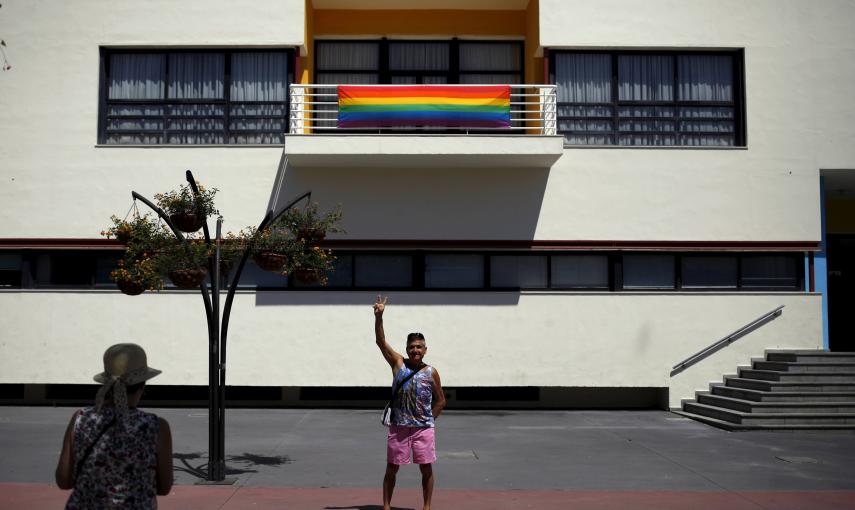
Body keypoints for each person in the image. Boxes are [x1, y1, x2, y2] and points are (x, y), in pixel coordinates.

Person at [55, 343, 173, 509]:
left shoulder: (80, 419)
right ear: (143, 385)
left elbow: (64, 480)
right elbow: (164, 487)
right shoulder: (156, 427)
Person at [374, 295, 446, 510]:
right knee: (392, 468)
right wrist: (379, 317)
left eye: (419, 347)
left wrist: (428, 420)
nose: (416, 350)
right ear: (407, 349)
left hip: (423, 429)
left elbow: (441, 401)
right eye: (412, 346)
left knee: (426, 468)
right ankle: (386, 506)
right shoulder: (398, 364)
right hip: (399, 427)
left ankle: (427, 507)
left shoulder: (431, 372)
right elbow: (380, 341)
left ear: (425, 350)